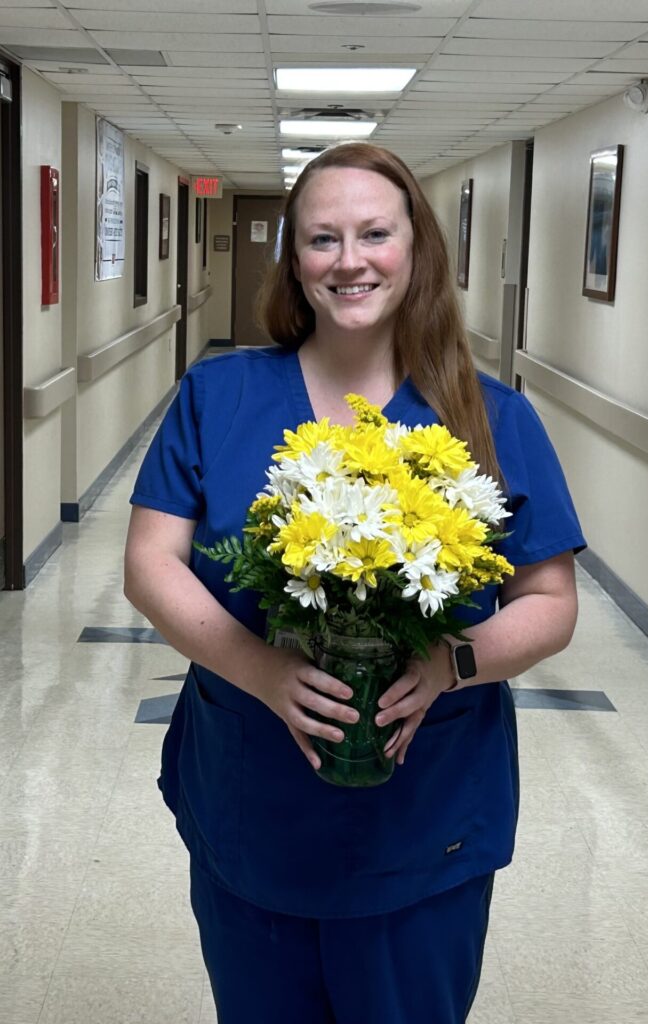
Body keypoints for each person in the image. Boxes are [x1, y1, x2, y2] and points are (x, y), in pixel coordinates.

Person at [124, 143, 585, 1023]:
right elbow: (150, 564)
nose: (349, 261)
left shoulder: (489, 415)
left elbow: (549, 602)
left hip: (426, 816)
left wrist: (447, 665)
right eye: (321, 239)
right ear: (293, 261)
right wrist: (265, 672)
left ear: (416, 252)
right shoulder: (218, 395)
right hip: (252, 798)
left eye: (374, 233)